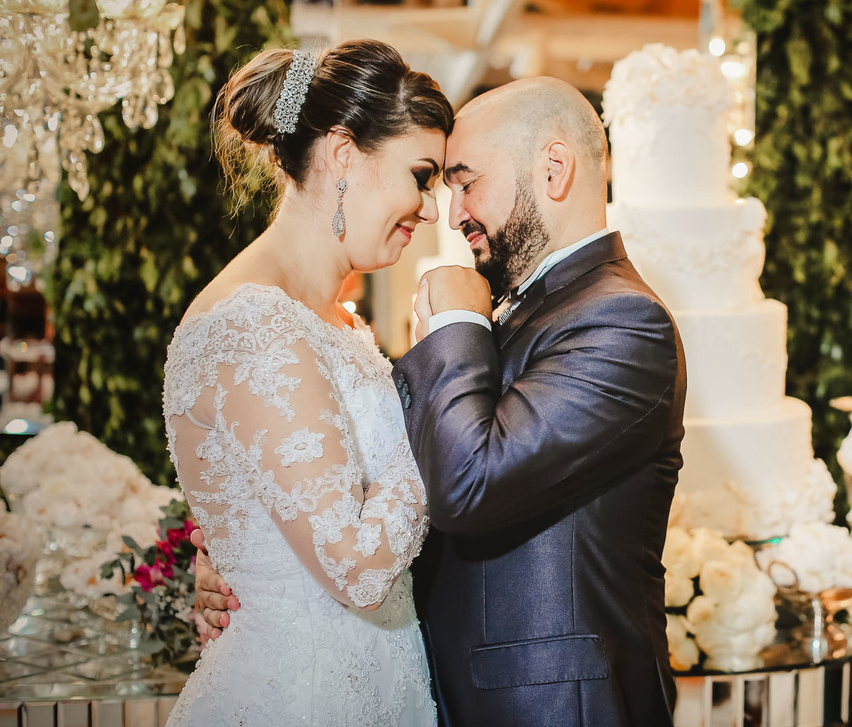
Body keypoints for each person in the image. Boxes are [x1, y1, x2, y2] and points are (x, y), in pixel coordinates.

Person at [198, 77, 687, 726]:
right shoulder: (510, 309)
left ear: (554, 169)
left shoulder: (623, 321)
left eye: (465, 181)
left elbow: (469, 483)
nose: (452, 213)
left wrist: (457, 321)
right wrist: (259, 556)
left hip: (551, 709)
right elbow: (371, 472)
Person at [167, 39, 452, 725]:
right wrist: (443, 409)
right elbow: (354, 566)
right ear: (344, 152)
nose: (431, 209)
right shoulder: (255, 324)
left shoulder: (336, 322)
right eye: (421, 175)